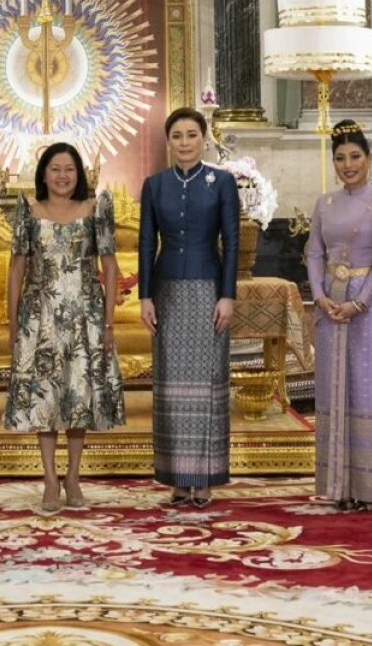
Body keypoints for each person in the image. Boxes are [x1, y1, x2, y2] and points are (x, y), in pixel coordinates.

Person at [2, 142, 125, 511]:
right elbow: (16, 268)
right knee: (45, 398)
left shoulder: (95, 208)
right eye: (55, 169)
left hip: (84, 316)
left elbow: (111, 266)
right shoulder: (27, 209)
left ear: (80, 173)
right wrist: (13, 324)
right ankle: (50, 481)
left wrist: (108, 322)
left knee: (77, 397)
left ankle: (73, 476)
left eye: (69, 169)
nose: (62, 176)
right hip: (39, 317)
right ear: (43, 173)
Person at [138, 106, 239, 507]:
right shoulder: (155, 185)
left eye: (191, 135)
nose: (184, 143)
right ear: (169, 142)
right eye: (177, 136)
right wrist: (145, 295)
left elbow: (231, 243)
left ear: (204, 138)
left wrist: (227, 294)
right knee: (171, 389)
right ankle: (178, 479)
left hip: (209, 292)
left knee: (207, 384)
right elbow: (147, 243)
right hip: (166, 293)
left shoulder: (222, 182)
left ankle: (205, 477)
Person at [307, 120, 372, 512]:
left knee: (365, 391)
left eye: (355, 157)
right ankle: (337, 486)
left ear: (368, 158)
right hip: (330, 308)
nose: (348, 165)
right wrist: (319, 296)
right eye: (340, 158)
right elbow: (313, 253)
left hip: (368, 308)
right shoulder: (324, 204)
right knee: (332, 391)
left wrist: (359, 302)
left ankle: (366, 489)